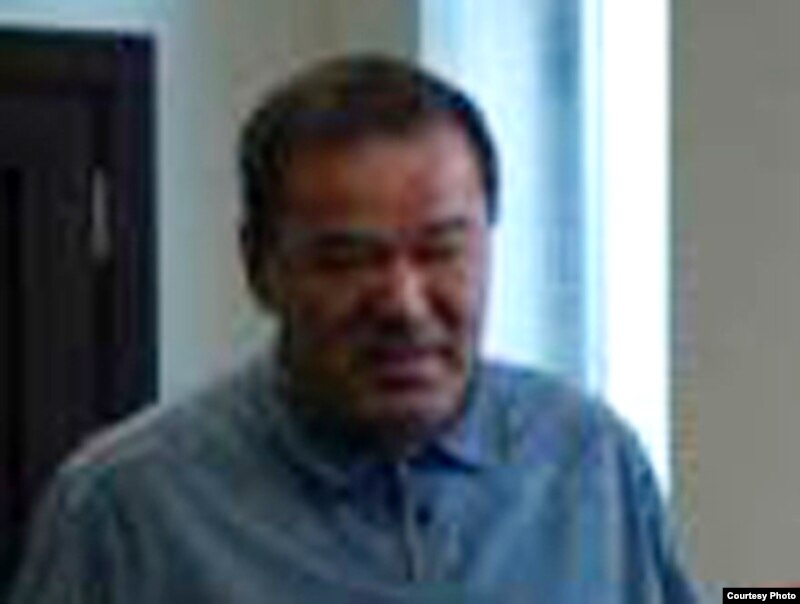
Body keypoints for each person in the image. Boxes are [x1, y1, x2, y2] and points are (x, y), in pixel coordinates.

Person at [11, 55, 697, 603]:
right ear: (258, 266)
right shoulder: (126, 510)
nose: (403, 303)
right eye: (347, 260)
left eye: (441, 250)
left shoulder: (590, 463)